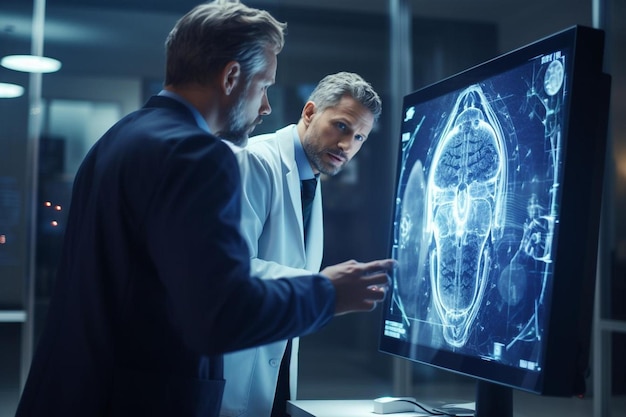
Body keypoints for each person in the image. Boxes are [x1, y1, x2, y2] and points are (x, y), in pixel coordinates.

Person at [14, 3, 393, 417]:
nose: (265, 107)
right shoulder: (196, 154)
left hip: (78, 390)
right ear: (231, 77)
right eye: (263, 85)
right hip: (133, 399)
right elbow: (217, 310)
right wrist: (327, 293)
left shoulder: (119, 138)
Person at [222, 72, 383, 417]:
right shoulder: (254, 161)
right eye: (341, 126)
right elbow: (231, 268)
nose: (347, 145)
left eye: (359, 137)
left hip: (274, 361)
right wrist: (322, 287)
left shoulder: (311, 176)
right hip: (233, 367)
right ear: (309, 112)